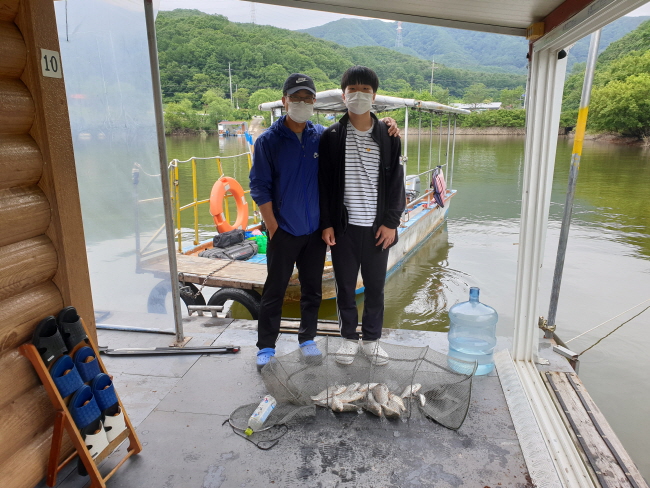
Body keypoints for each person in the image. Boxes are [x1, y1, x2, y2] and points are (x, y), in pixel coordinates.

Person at [249, 73, 400, 372]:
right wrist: (273, 227)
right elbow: (260, 187)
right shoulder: (271, 140)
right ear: (284, 101)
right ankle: (266, 345)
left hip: (316, 230)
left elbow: (388, 178)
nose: (302, 103)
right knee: (275, 290)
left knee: (315, 290)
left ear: (314, 102)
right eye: (296, 98)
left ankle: (309, 339)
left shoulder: (320, 135)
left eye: (308, 99)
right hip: (286, 229)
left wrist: (388, 123)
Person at [319, 66, 405, 366]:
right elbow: (324, 185)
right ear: (344, 96)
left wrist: (391, 223)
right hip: (344, 229)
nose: (359, 95)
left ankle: (371, 340)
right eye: (352, 90)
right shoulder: (332, 136)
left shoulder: (388, 136)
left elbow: (396, 182)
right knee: (344, 287)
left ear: (374, 96)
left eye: (365, 90)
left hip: (377, 228)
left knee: (375, 287)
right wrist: (327, 223)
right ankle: (348, 339)